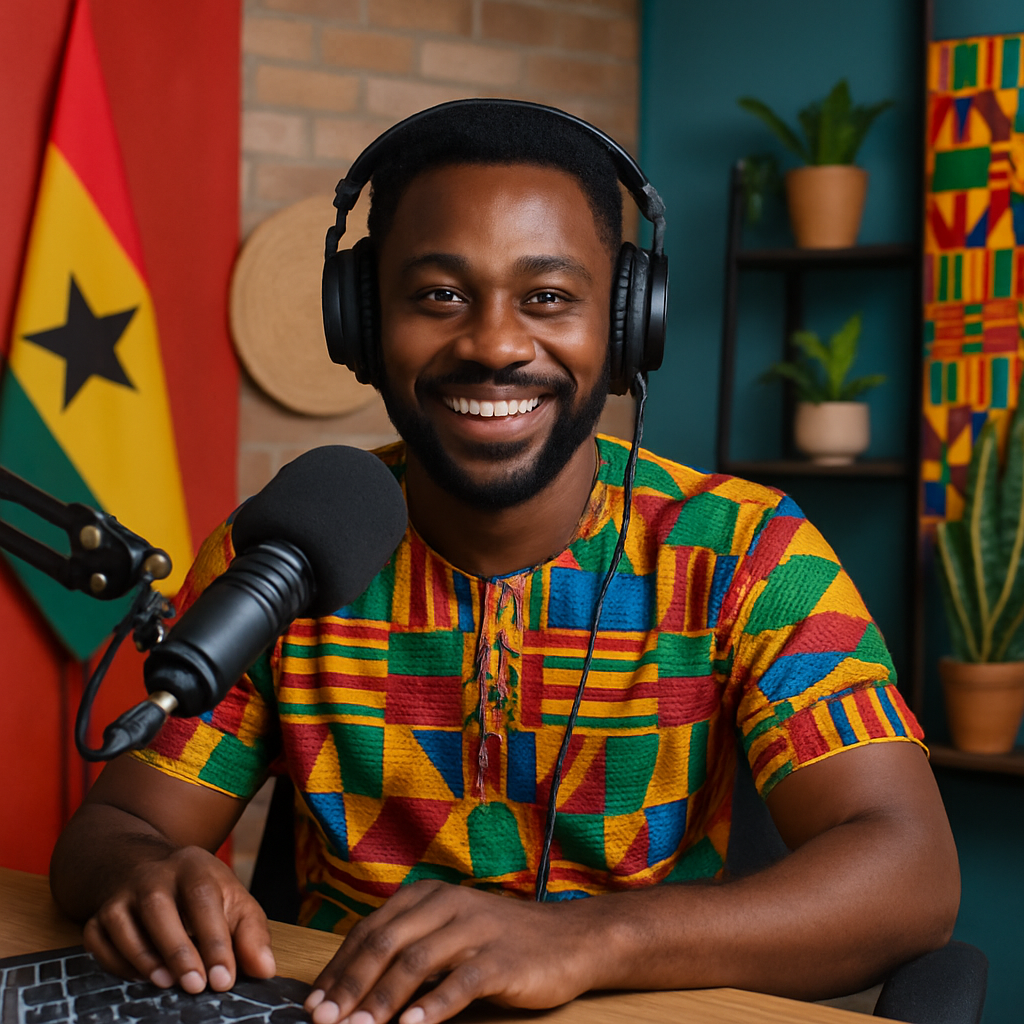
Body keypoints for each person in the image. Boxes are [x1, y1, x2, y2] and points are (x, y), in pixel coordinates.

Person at [50, 101, 959, 1024]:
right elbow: (117, 828)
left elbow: (912, 874)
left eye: (549, 297)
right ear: (361, 322)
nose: (493, 344)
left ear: (627, 325)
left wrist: (592, 937)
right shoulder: (290, 548)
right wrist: (144, 874)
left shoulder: (745, 553)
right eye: (439, 296)